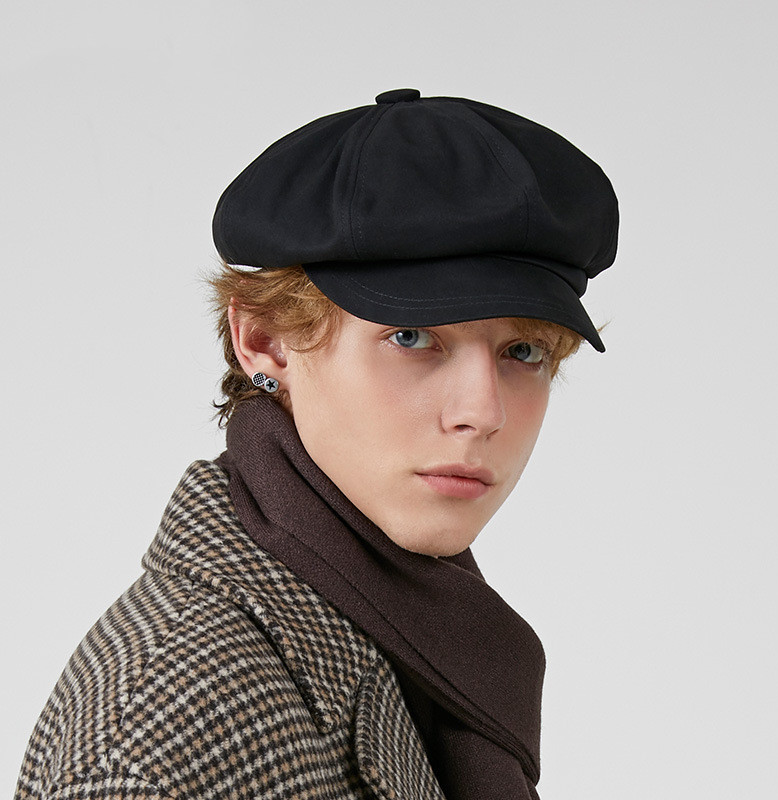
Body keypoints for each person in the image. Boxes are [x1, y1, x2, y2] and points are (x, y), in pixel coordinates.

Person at [15, 88, 618, 799]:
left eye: (523, 350)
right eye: (411, 336)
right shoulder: (157, 739)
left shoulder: (409, 628)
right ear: (265, 341)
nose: (482, 412)